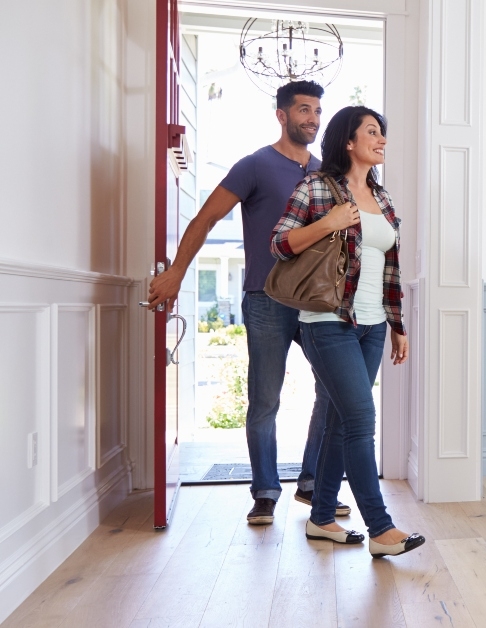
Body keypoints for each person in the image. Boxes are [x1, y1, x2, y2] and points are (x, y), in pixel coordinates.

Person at [145, 80, 352, 525]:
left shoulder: (325, 174)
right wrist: (177, 271)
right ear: (282, 115)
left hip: (317, 303)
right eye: (303, 110)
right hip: (266, 298)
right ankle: (264, 491)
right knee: (264, 399)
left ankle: (313, 483)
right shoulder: (255, 165)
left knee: (334, 392)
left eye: (317, 111)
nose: (312, 119)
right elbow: (205, 218)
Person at [270, 106, 425, 558]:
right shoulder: (316, 187)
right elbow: (278, 243)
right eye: (373, 132)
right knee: (360, 421)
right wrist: (328, 222)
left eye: (384, 132)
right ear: (348, 142)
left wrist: (398, 326)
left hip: (373, 326)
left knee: (340, 422)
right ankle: (380, 528)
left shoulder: (384, 197)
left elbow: (391, 268)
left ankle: (321, 519)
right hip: (328, 323)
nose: (382, 140)